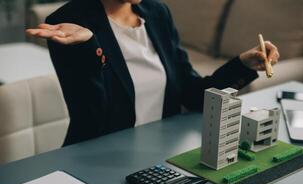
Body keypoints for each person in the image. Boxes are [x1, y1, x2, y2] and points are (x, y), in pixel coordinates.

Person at [26, 0, 280, 146]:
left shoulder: (157, 12)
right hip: (100, 156)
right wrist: (91, 45)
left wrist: (243, 64)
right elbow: (93, 115)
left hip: (161, 152)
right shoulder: (68, 21)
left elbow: (191, 95)